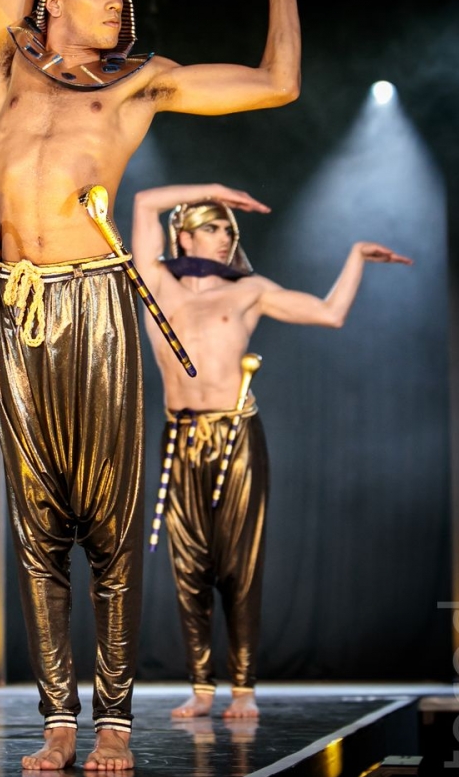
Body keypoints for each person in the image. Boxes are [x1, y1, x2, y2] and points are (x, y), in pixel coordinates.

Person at [0, 0, 366, 771]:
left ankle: (113, 721)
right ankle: (55, 722)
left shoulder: (138, 82)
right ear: (51, 0)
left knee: (109, 525)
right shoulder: (9, 61)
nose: (120, 0)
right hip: (19, 307)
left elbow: (277, 83)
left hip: (96, 305)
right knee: (36, 523)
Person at [130, 184, 412, 720]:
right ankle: (200, 687)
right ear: (185, 232)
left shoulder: (248, 291)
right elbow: (145, 201)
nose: (223, 237)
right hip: (181, 435)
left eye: (228, 230)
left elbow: (330, 314)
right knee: (188, 565)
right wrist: (213, 190)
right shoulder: (157, 284)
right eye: (213, 226)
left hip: (236, 433)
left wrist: (354, 257)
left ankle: (243, 689)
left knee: (238, 564)